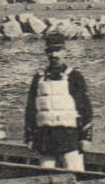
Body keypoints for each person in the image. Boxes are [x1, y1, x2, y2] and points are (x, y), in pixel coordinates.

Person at [24, 31, 92, 171]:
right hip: (45, 138)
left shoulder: (74, 76)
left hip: (69, 137)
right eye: (51, 51)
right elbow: (31, 109)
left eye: (58, 51)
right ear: (46, 53)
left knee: (75, 174)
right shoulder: (39, 77)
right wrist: (29, 137)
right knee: (45, 176)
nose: (54, 55)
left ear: (64, 52)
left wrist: (86, 137)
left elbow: (86, 109)